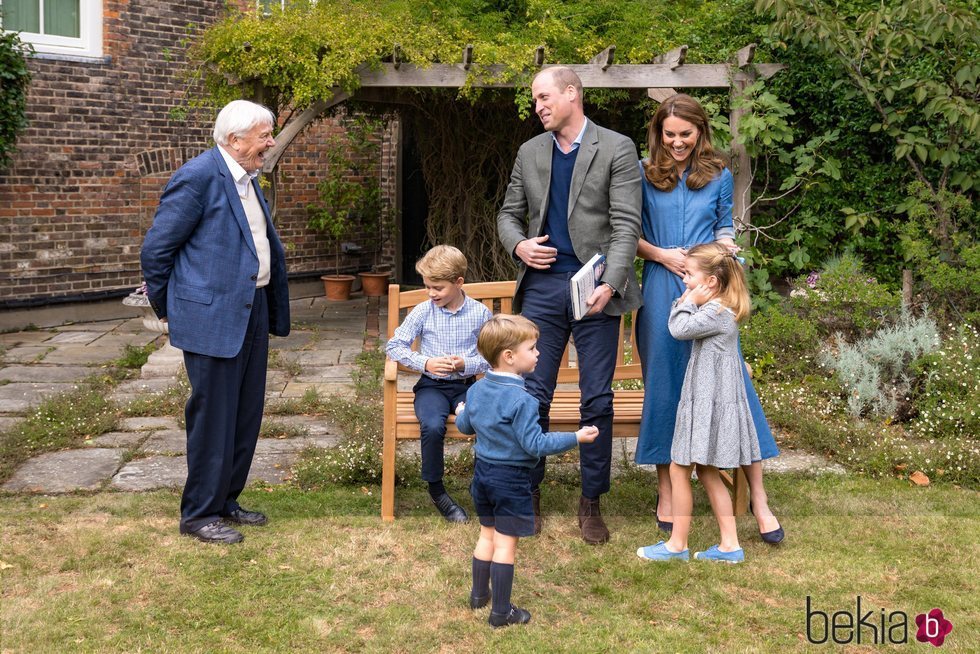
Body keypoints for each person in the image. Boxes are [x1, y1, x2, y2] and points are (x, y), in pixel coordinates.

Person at [497, 66, 642, 544]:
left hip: (595, 290)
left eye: (543, 97)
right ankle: (529, 494)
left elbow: (625, 227)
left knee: (596, 398)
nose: (538, 106)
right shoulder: (529, 152)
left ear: (572, 94)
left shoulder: (617, 148)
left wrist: (613, 283)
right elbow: (506, 214)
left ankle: (591, 501)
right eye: (535, 99)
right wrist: (518, 246)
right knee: (532, 396)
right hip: (541, 289)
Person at [634, 93, 783, 544]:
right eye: (670, 134)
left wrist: (722, 250)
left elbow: (724, 226)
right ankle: (666, 489)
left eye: (686, 134)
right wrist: (664, 256)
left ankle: (758, 497)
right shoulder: (643, 173)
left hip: (710, 287)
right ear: (659, 133)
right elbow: (628, 232)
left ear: (700, 132)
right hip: (662, 285)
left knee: (731, 382)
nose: (678, 143)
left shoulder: (717, 174)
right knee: (665, 382)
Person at [140, 100, 290, 544]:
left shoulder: (247, 178)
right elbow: (157, 250)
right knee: (213, 417)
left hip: (251, 308)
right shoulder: (199, 176)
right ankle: (198, 515)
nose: (270, 142)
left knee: (245, 413)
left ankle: (225, 500)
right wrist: (170, 309)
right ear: (234, 140)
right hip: (212, 316)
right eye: (264, 135)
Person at [455, 314, 599, 627]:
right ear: (509, 357)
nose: (538, 354)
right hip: (511, 481)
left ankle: (479, 596)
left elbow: (465, 426)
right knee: (505, 544)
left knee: (486, 535)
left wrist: (460, 411)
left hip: (482, 476)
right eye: (532, 348)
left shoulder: (477, 390)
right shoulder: (523, 400)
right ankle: (501, 613)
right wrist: (576, 436)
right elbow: (535, 444)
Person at [637, 243, 759, 563]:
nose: (685, 281)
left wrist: (687, 299)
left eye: (690, 275)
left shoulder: (715, 312)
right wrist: (692, 295)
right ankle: (730, 546)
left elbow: (678, 328)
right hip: (708, 400)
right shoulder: (720, 309)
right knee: (706, 471)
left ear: (712, 283)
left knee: (679, 469)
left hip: (707, 404)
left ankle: (677, 545)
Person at [384, 245, 492, 522]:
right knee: (432, 426)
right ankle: (437, 491)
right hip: (431, 387)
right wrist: (425, 363)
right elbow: (394, 346)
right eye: (427, 287)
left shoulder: (479, 314)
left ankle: (481, 485)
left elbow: (492, 357)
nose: (431, 293)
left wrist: (465, 364)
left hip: (468, 387)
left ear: (458, 283)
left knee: (483, 421)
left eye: (438, 288)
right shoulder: (423, 311)